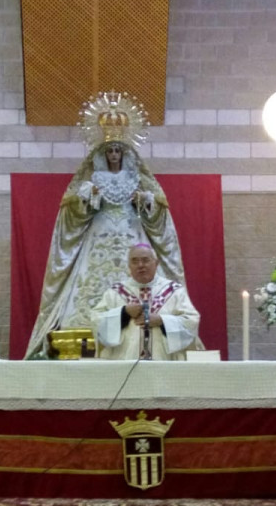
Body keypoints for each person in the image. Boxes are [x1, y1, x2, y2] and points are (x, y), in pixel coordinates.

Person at [25, 95, 187, 357]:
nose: (113, 155)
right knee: (90, 277)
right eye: (109, 151)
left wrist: (144, 201)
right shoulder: (93, 178)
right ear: (102, 153)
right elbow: (73, 210)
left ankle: (139, 316)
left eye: (117, 151)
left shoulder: (137, 178)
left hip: (131, 231)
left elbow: (158, 211)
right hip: (99, 233)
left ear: (125, 153)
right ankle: (83, 322)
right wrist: (89, 198)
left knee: (137, 264)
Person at [90, 244, 203, 361]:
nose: (140, 265)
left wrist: (161, 321)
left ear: (156, 263)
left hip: (164, 362)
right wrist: (124, 313)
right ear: (129, 266)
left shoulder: (175, 291)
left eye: (145, 260)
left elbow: (191, 321)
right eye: (135, 261)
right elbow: (97, 321)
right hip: (124, 362)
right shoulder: (114, 293)